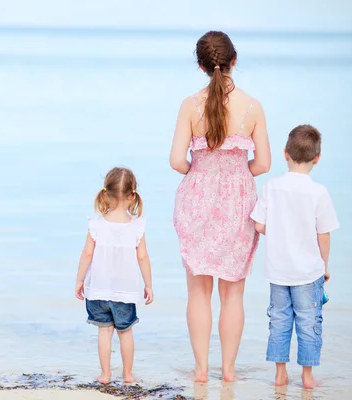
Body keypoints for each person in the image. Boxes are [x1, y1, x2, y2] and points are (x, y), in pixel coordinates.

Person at [170, 31, 271, 382]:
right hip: (238, 200)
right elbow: (264, 164)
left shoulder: (189, 105)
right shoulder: (252, 105)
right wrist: (237, 173)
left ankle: (200, 370)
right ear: (234, 60)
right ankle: (228, 371)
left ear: (200, 65)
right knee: (233, 291)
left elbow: (176, 161)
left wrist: (200, 171)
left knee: (198, 290)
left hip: (197, 197)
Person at [250, 125, 339, 389]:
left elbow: (257, 225)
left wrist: (277, 232)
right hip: (308, 273)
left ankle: (280, 373)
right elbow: (324, 234)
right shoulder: (318, 192)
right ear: (317, 158)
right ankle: (308, 377)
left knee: (279, 320)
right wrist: (324, 265)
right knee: (309, 322)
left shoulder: (271, 187)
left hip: (277, 272)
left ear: (284, 153)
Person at [74, 167, 154, 384]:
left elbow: (87, 253)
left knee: (104, 333)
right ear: (132, 196)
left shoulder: (96, 224)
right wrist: (148, 285)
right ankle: (128, 374)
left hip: (98, 289)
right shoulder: (137, 226)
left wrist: (80, 279)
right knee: (125, 333)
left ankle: (106, 375)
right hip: (125, 292)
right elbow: (143, 258)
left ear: (106, 193)